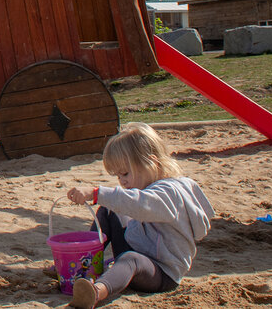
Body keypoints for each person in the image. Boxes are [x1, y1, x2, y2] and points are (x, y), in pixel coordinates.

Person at [65, 122, 213, 308]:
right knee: (108, 209)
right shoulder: (151, 187)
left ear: (151, 162)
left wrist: (97, 193)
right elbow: (128, 203)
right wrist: (104, 200)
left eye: (125, 173)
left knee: (130, 259)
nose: (122, 181)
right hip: (140, 246)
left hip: (160, 272)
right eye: (118, 176)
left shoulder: (169, 193)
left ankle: (96, 292)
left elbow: (139, 204)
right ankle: (82, 264)